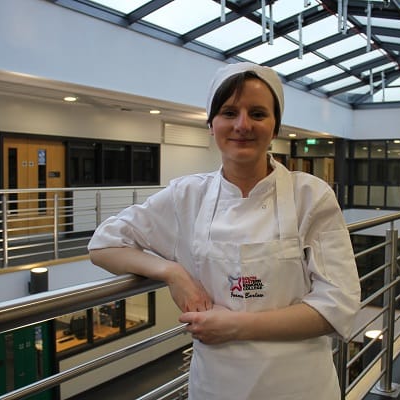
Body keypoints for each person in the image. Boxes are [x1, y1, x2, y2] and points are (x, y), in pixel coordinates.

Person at [88, 62, 361, 400]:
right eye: (229, 112)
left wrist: (235, 326)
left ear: (275, 127)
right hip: (217, 387)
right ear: (211, 124)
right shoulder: (186, 197)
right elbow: (103, 245)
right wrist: (171, 271)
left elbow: (337, 305)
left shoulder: (311, 196)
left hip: (300, 386)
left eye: (258, 114)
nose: (242, 125)